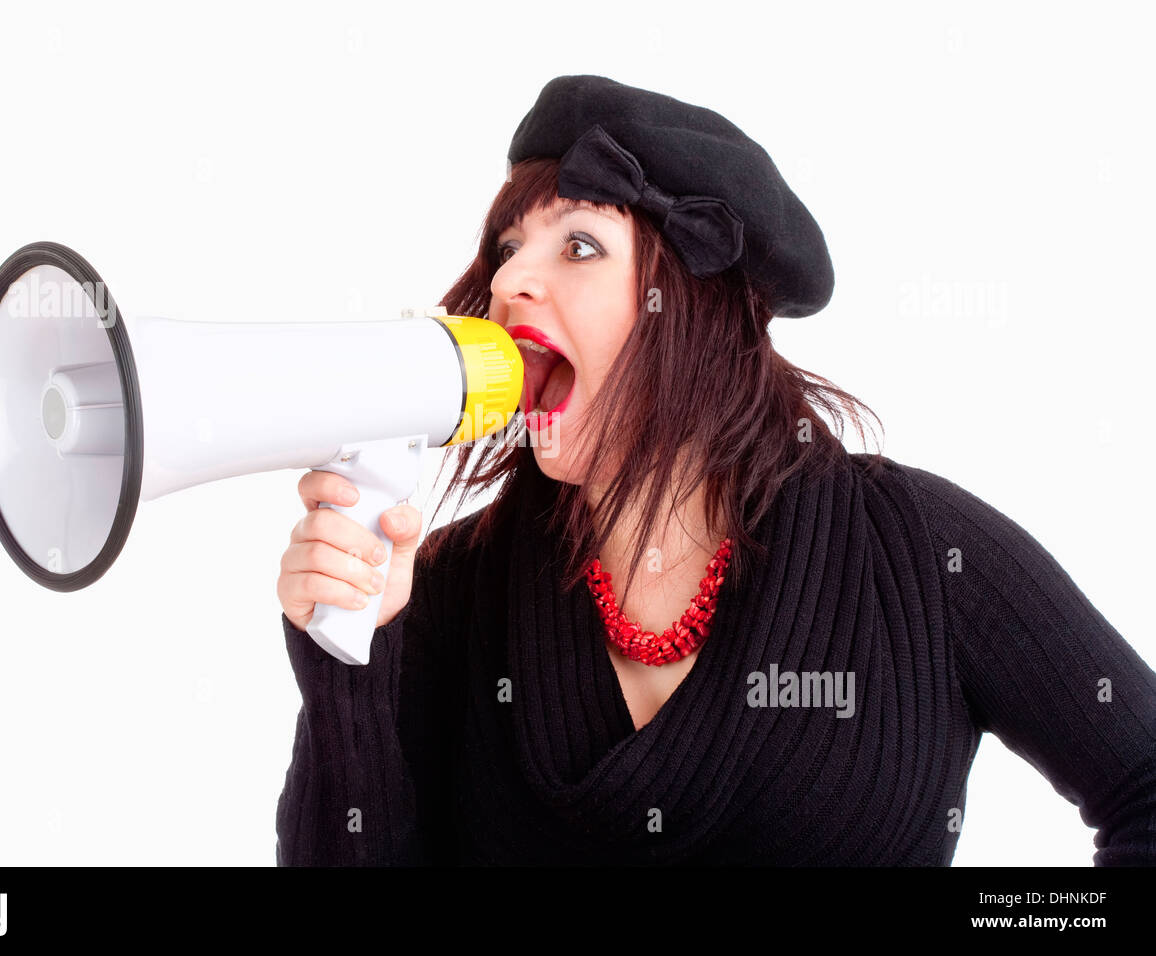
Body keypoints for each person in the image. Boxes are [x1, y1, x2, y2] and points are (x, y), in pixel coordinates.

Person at [273, 75, 1156, 865]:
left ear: (691, 304)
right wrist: (352, 656)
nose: (510, 286)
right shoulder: (445, 588)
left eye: (578, 246)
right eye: (508, 249)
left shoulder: (921, 553)